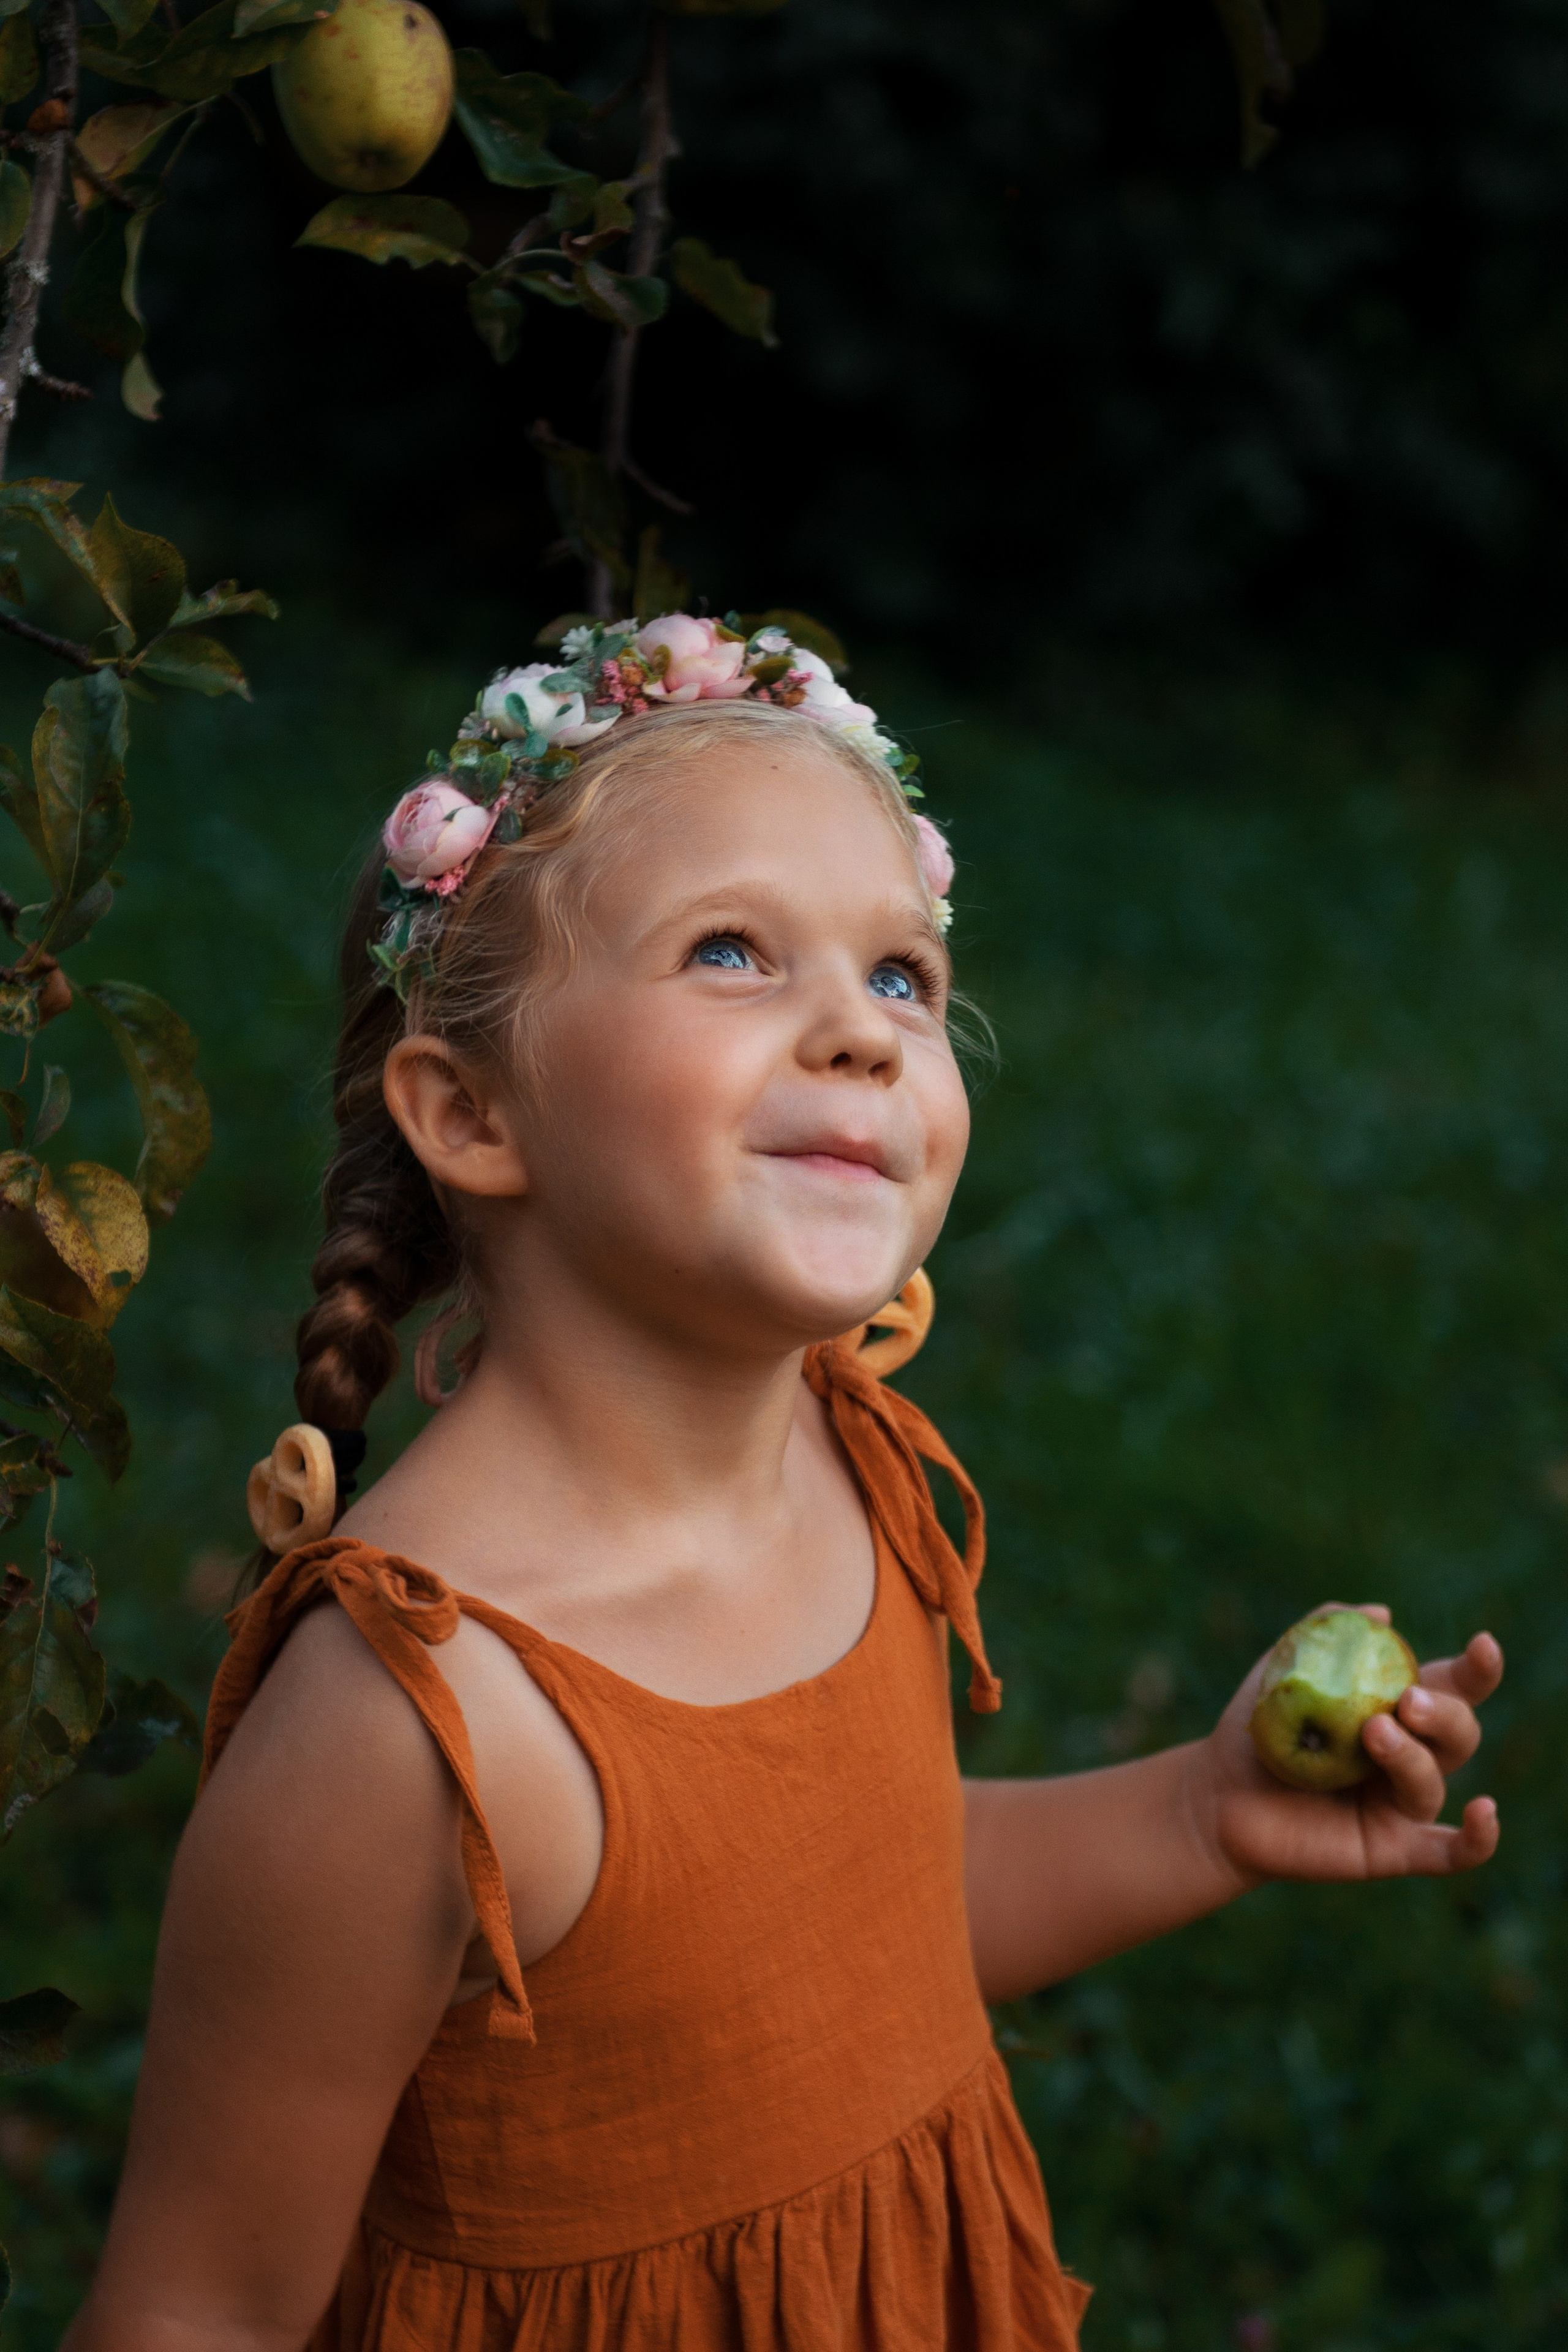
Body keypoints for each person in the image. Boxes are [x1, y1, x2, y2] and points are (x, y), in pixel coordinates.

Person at [64, 616, 1504, 2352]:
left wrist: (1201, 1814)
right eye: (735, 953)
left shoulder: (853, 1456)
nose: (862, 1031)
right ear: (470, 1113)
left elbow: (837, 1944)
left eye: (903, 977)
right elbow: (194, 2314)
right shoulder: (413, 1722)